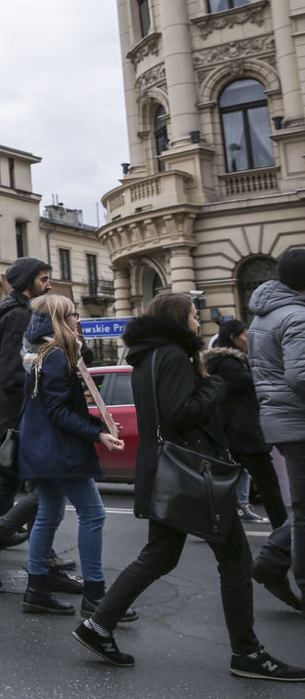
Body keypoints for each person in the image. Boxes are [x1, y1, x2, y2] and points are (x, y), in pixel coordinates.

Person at [74, 292, 305, 681]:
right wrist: (216, 387)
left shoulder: (147, 354)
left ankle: (97, 626)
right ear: (180, 319)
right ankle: (247, 653)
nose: (199, 323)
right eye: (195, 316)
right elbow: (179, 412)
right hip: (192, 474)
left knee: (160, 554)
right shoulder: (174, 355)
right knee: (233, 560)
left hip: (167, 471)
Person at [0, 258, 70, 591]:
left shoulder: (16, 313)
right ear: (27, 282)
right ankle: (40, 556)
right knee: (43, 486)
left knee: (11, 483)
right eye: (44, 279)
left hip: (16, 413)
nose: (49, 284)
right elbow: (13, 372)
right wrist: (44, 377)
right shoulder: (20, 316)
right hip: (20, 414)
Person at [16, 295, 124, 616]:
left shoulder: (44, 354)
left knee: (48, 513)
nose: (79, 319)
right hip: (58, 450)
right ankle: (94, 595)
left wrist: (96, 423)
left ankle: (36, 590)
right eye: (73, 315)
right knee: (93, 514)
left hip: (43, 448)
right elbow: (59, 412)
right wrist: (98, 433)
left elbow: (55, 409)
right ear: (59, 320)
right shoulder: (56, 356)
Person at [249, 248, 305, 612]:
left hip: (282, 420)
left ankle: (272, 561)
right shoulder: (298, 316)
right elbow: (301, 375)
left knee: (302, 509)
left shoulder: (263, 315)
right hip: (300, 421)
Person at [203, 319, 286, 528]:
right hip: (243, 433)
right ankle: (283, 530)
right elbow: (253, 383)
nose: (248, 339)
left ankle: (214, 525)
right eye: (245, 335)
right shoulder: (229, 365)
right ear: (233, 337)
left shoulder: (224, 363)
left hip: (234, 432)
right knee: (267, 484)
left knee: (224, 484)